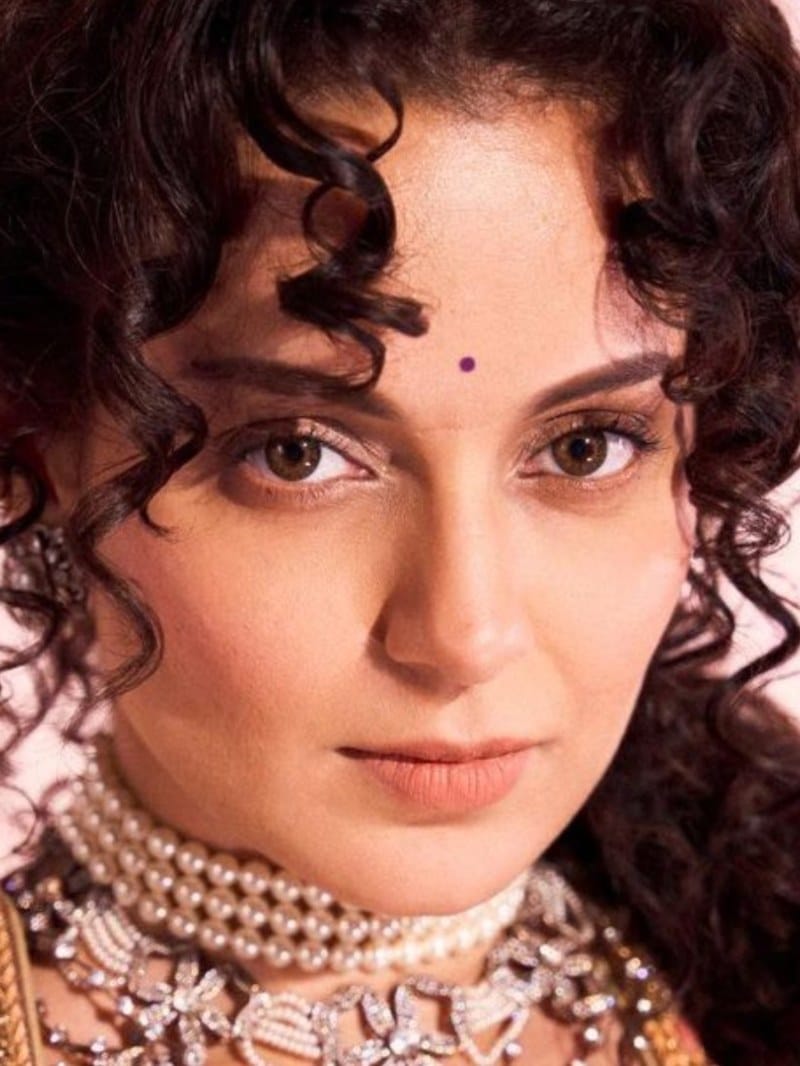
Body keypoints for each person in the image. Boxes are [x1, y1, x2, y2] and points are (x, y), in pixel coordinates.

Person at [0, 1, 798, 1063]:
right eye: (296, 453)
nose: (464, 636)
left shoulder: (754, 974)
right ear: (40, 436)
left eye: (584, 448)